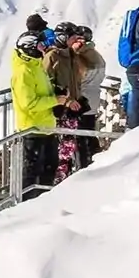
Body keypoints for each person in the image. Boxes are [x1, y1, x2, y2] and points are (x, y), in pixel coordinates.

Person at [46, 21, 105, 178]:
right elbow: (47, 81)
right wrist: (60, 100)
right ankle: (66, 179)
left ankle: (81, 174)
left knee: (77, 143)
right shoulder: (53, 56)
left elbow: (96, 63)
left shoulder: (72, 55)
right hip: (63, 107)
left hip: (75, 105)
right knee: (67, 147)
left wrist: (84, 48)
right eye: (73, 37)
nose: (76, 41)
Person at [10, 13, 59, 197]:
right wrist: (55, 101)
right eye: (39, 45)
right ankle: (27, 206)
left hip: (46, 125)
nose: (43, 48)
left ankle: (42, 202)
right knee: (32, 173)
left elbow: (43, 91)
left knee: (49, 167)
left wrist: (57, 95)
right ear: (30, 48)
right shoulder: (23, 72)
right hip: (32, 128)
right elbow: (29, 103)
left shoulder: (35, 66)